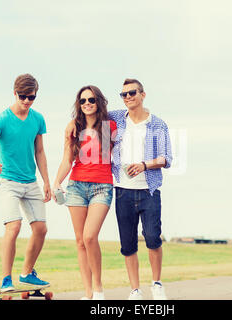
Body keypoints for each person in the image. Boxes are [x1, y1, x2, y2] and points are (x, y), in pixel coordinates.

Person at [66, 78, 172, 300]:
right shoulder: (115, 119)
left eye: (132, 93)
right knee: (128, 243)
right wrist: (72, 123)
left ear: (143, 95)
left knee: (152, 238)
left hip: (149, 189)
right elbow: (91, 113)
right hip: (122, 189)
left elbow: (167, 158)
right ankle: (135, 289)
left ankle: (157, 283)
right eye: (124, 94)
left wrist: (145, 165)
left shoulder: (158, 124)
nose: (128, 97)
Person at [0, 73, 51, 292]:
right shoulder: (2, 119)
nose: (27, 101)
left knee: (41, 228)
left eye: (32, 97)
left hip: (31, 182)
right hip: (8, 181)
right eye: (23, 96)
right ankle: (6, 279)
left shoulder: (37, 119)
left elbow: (39, 151)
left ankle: (27, 273)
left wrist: (46, 181)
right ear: (14, 93)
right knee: (14, 225)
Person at [52, 85, 117, 300]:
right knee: (80, 241)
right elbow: (66, 161)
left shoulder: (110, 126)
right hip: (76, 186)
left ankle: (98, 288)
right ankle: (88, 293)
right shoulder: (73, 128)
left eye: (91, 100)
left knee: (90, 237)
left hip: (102, 186)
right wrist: (56, 182)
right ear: (79, 105)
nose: (87, 103)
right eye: (82, 101)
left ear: (99, 101)